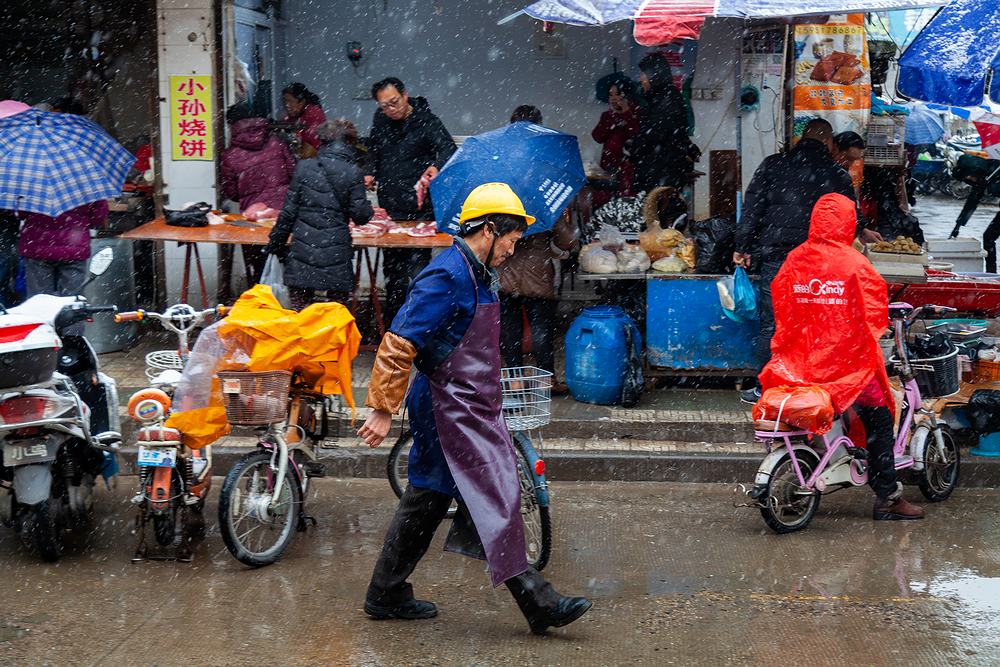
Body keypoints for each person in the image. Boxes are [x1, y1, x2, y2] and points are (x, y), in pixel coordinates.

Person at [358, 183, 591, 634]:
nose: (512, 248)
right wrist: (383, 407)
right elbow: (399, 340)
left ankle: (384, 591)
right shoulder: (447, 274)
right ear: (487, 230)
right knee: (494, 494)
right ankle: (537, 601)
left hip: (468, 404)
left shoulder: (476, 271)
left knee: (428, 497)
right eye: (509, 240)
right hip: (448, 408)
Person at [759, 192, 924, 521]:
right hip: (845, 368)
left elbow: (780, 306)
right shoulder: (855, 264)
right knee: (878, 418)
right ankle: (888, 497)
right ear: (849, 223)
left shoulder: (795, 259)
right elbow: (874, 316)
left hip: (798, 366)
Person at [733, 118, 881, 403]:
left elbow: (753, 206)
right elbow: (848, 212)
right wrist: (862, 229)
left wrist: (743, 244)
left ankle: (767, 390)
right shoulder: (836, 174)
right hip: (819, 262)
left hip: (777, 256)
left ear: (801, 139)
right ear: (828, 143)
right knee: (815, 324)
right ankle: (809, 386)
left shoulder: (772, 164)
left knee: (773, 325)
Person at [365, 76, 457, 325]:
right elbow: (372, 149)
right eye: (384, 105)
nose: (390, 109)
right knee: (392, 272)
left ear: (405, 95)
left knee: (418, 272)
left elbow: (448, 148)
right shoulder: (380, 120)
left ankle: (417, 324)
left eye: (394, 102)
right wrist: (369, 170)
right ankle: (395, 324)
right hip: (391, 208)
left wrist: (435, 166)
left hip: (420, 210)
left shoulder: (426, 121)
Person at [264, 119, 373, 311]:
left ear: (322, 142)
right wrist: (367, 204)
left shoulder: (304, 168)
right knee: (335, 319)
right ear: (348, 143)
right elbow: (361, 217)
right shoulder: (353, 172)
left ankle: (302, 341)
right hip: (336, 256)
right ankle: (331, 341)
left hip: (302, 256)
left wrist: (275, 243)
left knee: (299, 317)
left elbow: (288, 212)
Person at [18, 199, 108, 298]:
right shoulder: (88, 184)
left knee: (39, 299)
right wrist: (80, 222)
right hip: (74, 245)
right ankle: (72, 312)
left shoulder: (32, 185)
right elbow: (98, 214)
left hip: (37, 246)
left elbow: (20, 212)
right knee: (73, 300)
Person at [219, 103, 296, 213]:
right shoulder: (276, 142)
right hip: (284, 208)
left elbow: (231, 193)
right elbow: (294, 172)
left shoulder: (229, 155)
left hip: (254, 213)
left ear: (231, 125)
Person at [631, 53, 690, 192]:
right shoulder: (661, 97)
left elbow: (652, 135)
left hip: (661, 174)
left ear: (654, 75)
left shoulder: (666, 100)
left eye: (643, 75)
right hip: (659, 172)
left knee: (657, 212)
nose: (640, 80)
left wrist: (633, 148)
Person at [591, 76, 641, 209]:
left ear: (627, 96)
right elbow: (597, 136)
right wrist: (612, 118)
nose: (613, 98)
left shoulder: (638, 113)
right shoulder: (608, 116)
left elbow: (636, 136)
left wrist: (626, 115)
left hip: (630, 171)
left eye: (618, 94)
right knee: (603, 207)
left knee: (626, 208)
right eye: (610, 95)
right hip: (609, 169)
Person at [281, 82, 327, 157]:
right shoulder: (290, 114)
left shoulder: (314, 113)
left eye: (290, 101)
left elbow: (313, 145)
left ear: (302, 102)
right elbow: (281, 128)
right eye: (285, 101)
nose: (287, 105)